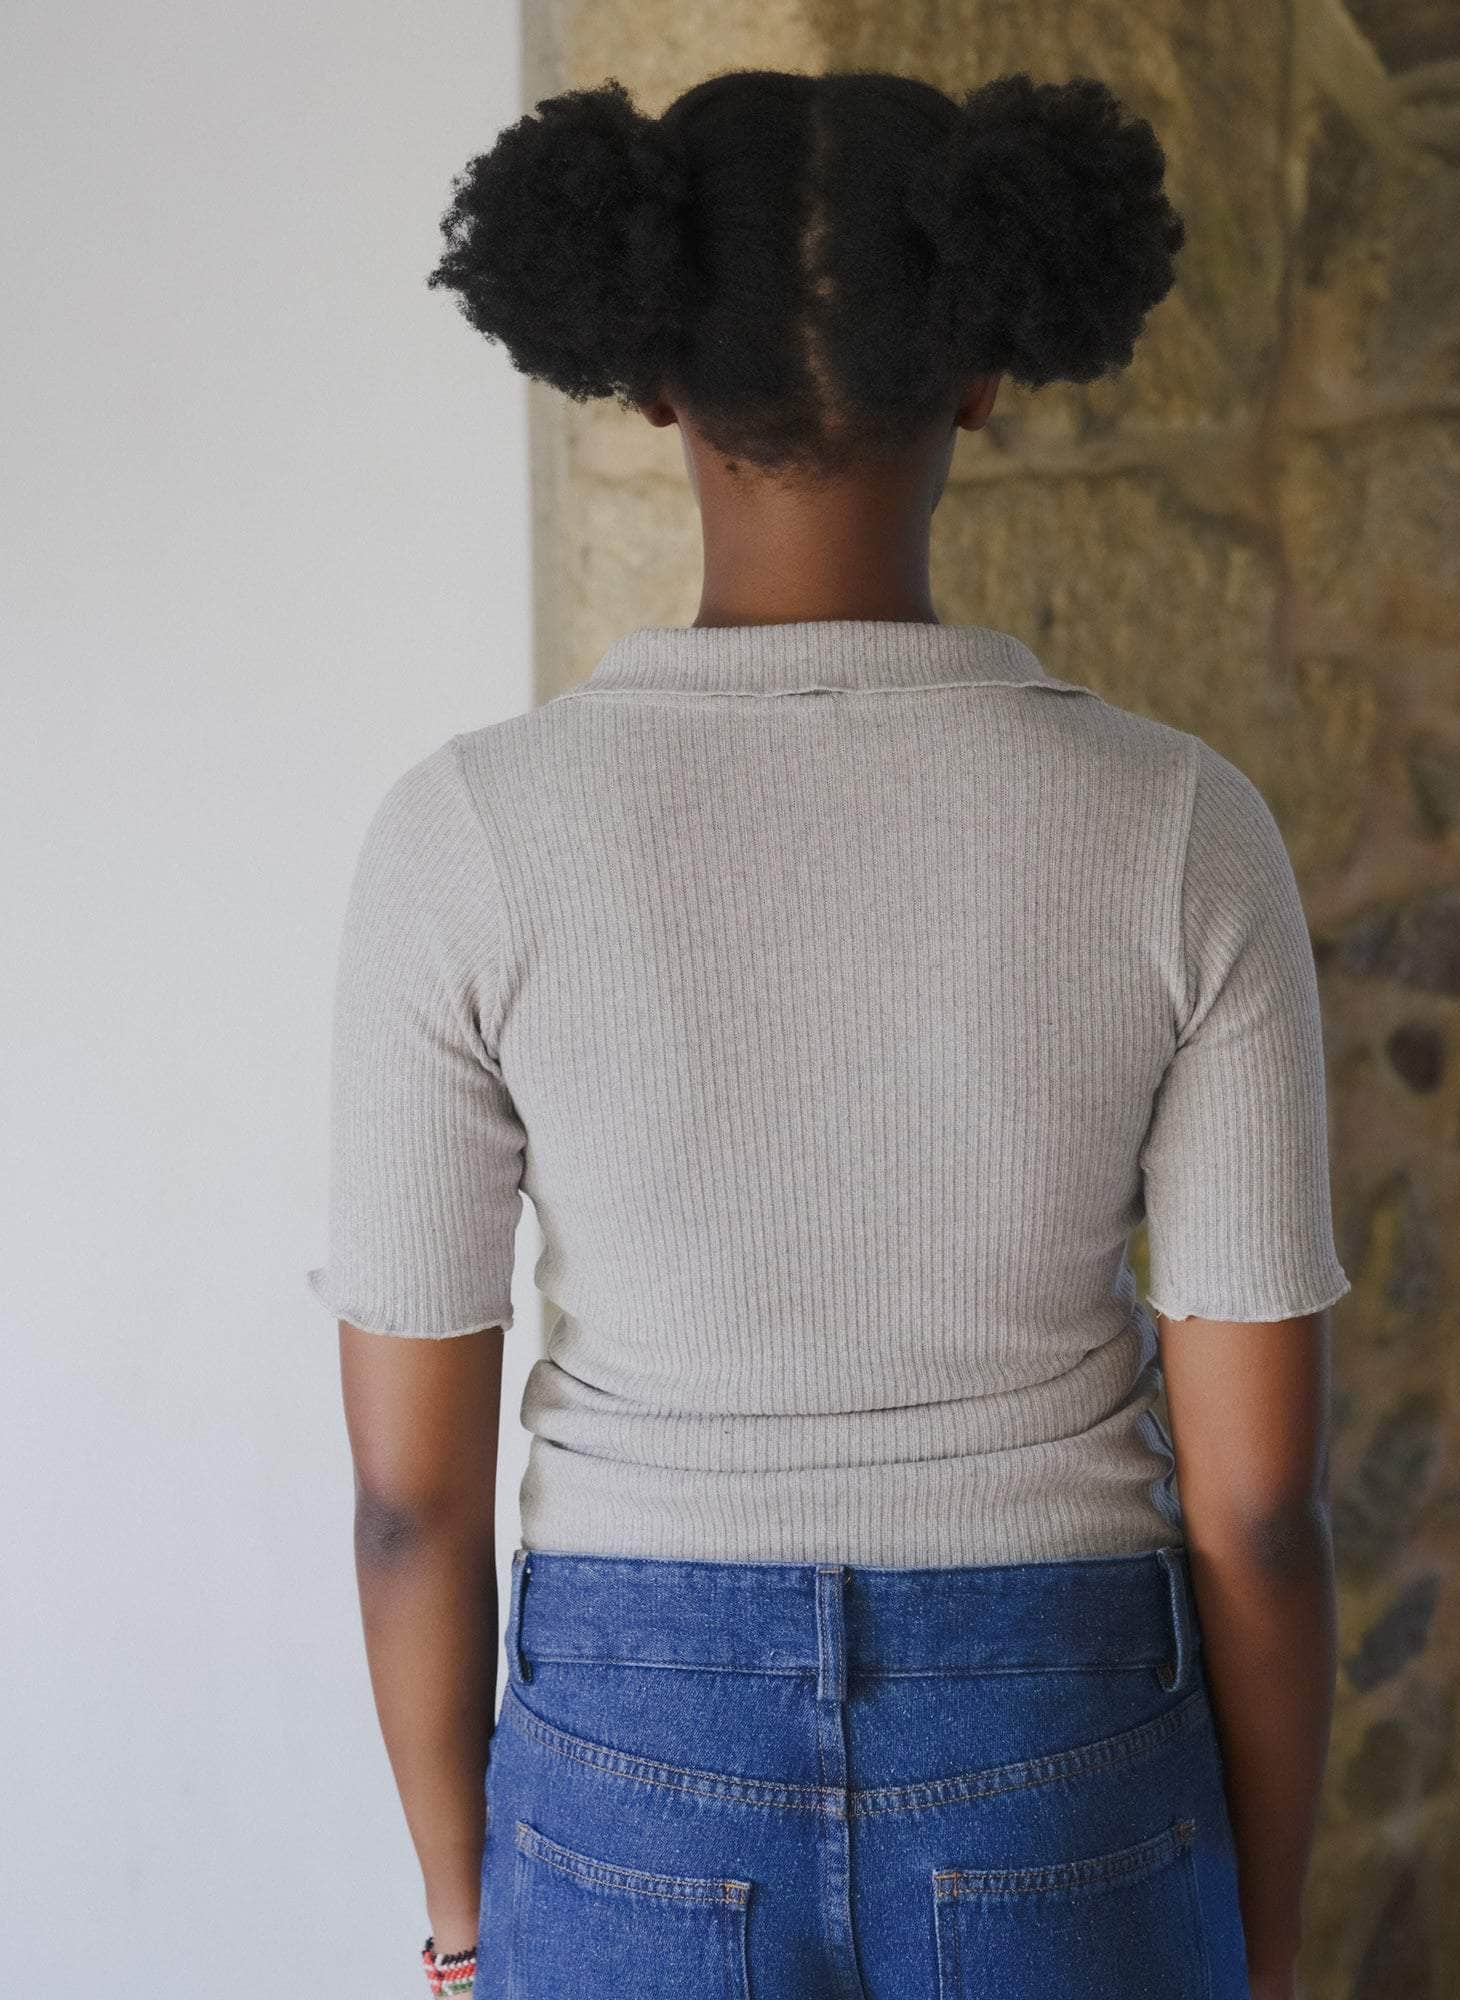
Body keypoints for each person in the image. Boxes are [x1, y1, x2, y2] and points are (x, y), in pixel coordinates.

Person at [308, 65, 1348, 2000]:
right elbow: (1260, 1511)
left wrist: (464, 1931)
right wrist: (1261, 1952)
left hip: (628, 1759)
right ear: (986, 370)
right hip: (1059, 1743)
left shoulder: (465, 838)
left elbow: (405, 1504)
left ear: (645, 377)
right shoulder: (1181, 829)